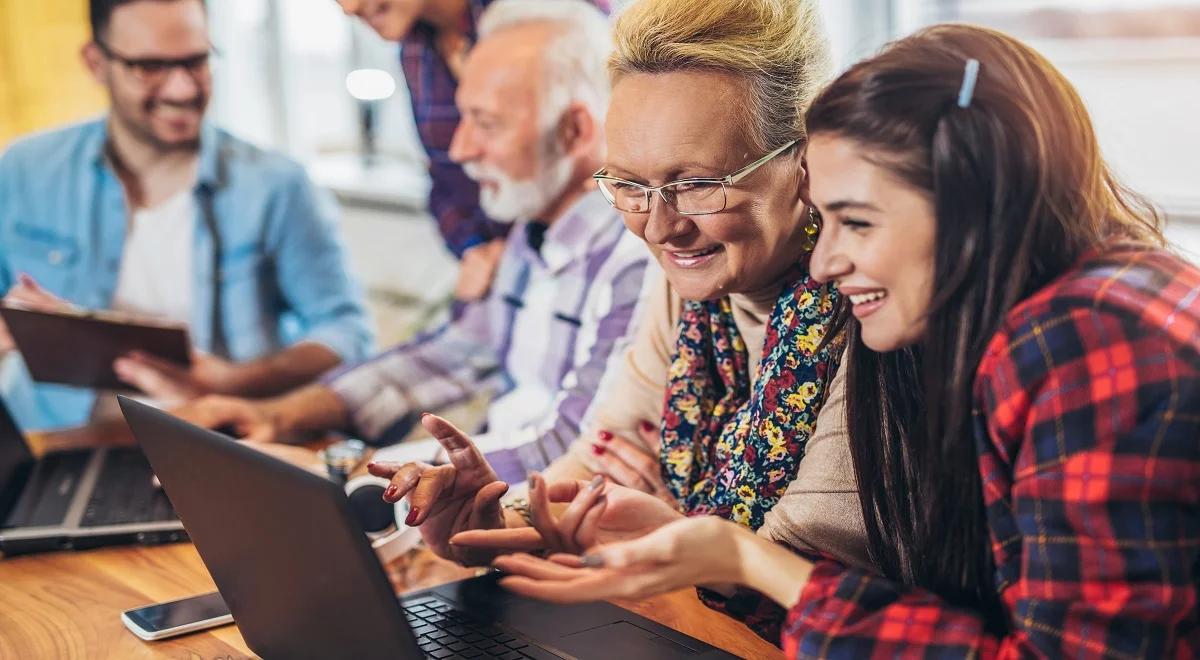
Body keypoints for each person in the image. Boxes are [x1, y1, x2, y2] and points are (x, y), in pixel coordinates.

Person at [492, 23, 1200, 657]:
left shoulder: (1088, 342)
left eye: (856, 223)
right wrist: (726, 555)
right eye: (825, 220)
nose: (825, 263)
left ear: (973, 209)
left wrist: (743, 559)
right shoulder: (1050, 320)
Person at [357, 0, 870, 641]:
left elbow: (792, 568)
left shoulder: (874, 304)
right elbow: (601, 466)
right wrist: (494, 520)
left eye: (698, 182)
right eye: (628, 183)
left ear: (805, 159)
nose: (659, 226)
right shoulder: (690, 280)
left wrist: (663, 535)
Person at [182, 0, 649, 486]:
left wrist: (350, 475)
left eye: (486, 123)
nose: (460, 149)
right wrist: (279, 416)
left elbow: (571, 449)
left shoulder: (635, 263)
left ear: (575, 131)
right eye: (461, 117)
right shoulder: (527, 236)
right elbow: (450, 355)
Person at [0, 0, 373, 431]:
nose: (182, 89)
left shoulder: (277, 185)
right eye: (150, 67)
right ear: (96, 63)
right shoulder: (25, 170)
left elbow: (349, 333)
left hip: (218, 440)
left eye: (196, 61)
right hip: (58, 440)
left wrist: (235, 382)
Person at [334, 0, 609, 302]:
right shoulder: (415, 52)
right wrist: (474, 248)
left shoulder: (551, 19)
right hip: (499, 279)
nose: (348, 8)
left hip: (581, 266)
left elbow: (620, 154)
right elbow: (442, 178)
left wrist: (532, 250)